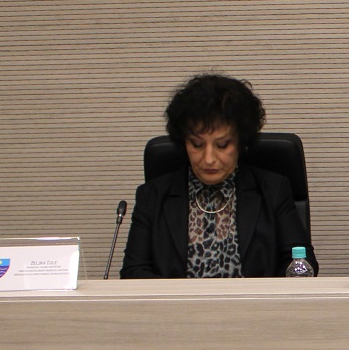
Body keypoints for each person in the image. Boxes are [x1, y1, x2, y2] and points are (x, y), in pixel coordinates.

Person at [120, 73, 316, 278]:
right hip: (176, 301)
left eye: (222, 145)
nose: (209, 158)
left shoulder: (273, 190)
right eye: (197, 144)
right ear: (183, 142)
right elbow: (133, 272)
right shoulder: (152, 196)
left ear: (241, 142)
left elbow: (302, 265)